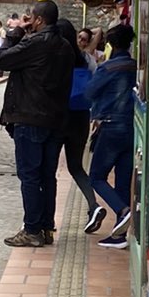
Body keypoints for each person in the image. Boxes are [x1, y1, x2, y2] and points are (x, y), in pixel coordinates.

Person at [0, 1, 73, 247]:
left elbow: (1, 60)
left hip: (30, 116)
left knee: (30, 176)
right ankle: (46, 226)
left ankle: (32, 229)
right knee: (47, 176)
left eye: (31, 18)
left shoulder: (35, 43)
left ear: (37, 20)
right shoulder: (65, 46)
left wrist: (15, 31)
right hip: (56, 119)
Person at [87, 23, 137, 246]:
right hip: (132, 127)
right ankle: (119, 235)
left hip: (110, 125)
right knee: (123, 181)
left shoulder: (108, 68)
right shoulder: (136, 66)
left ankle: (122, 210)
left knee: (97, 177)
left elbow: (90, 92)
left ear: (109, 44)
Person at [55, 18, 101, 228]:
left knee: (49, 169)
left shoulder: (53, 57)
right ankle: (94, 205)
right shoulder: (86, 59)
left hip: (57, 116)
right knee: (76, 167)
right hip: (81, 116)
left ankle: (45, 217)